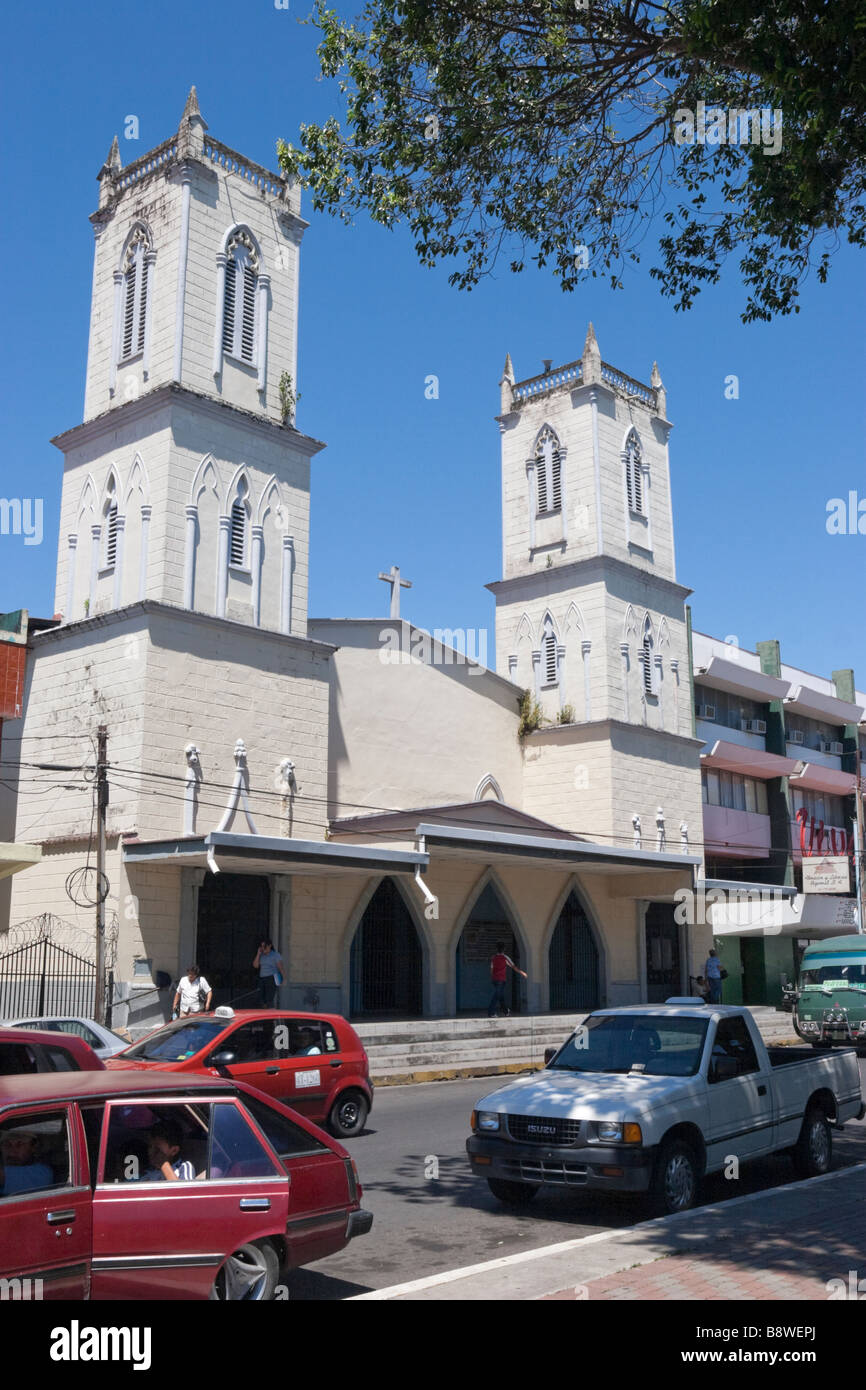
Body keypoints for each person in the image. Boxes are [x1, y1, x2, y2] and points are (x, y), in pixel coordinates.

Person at [0, 1128, 54, 1197]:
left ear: (33, 1148)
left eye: (19, 1144)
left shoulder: (42, 1173)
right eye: (7, 1144)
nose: (12, 1151)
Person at [488, 940, 527, 1018]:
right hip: (501, 980)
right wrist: (522, 972)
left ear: (497, 949)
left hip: (495, 980)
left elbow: (491, 969)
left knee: (500, 996)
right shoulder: (505, 958)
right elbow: (513, 967)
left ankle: (505, 1011)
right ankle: (491, 1012)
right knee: (496, 996)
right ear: (504, 949)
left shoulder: (494, 958)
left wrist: (492, 977)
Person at [253, 940, 284, 1008]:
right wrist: (258, 954)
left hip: (271, 978)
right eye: (261, 946)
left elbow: (280, 968)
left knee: (269, 999)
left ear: (269, 946)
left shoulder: (275, 955)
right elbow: (255, 966)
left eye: (265, 946)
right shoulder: (261, 955)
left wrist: (282, 978)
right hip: (262, 978)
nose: (263, 948)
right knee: (260, 999)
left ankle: (272, 1015)